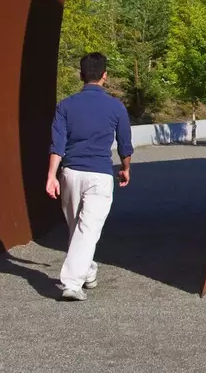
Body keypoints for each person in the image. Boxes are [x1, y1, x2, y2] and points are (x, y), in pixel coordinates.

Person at [46, 52, 133, 301]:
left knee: (81, 229)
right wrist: (125, 168)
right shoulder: (116, 106)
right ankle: (76, 280)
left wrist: (52, 176)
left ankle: (80, 275)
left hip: (70, 174)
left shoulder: (65, 106)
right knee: (85, 230)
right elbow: (125, 145)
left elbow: (57, 144)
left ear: (80, 75)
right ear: (105, 75)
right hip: (100, 176)